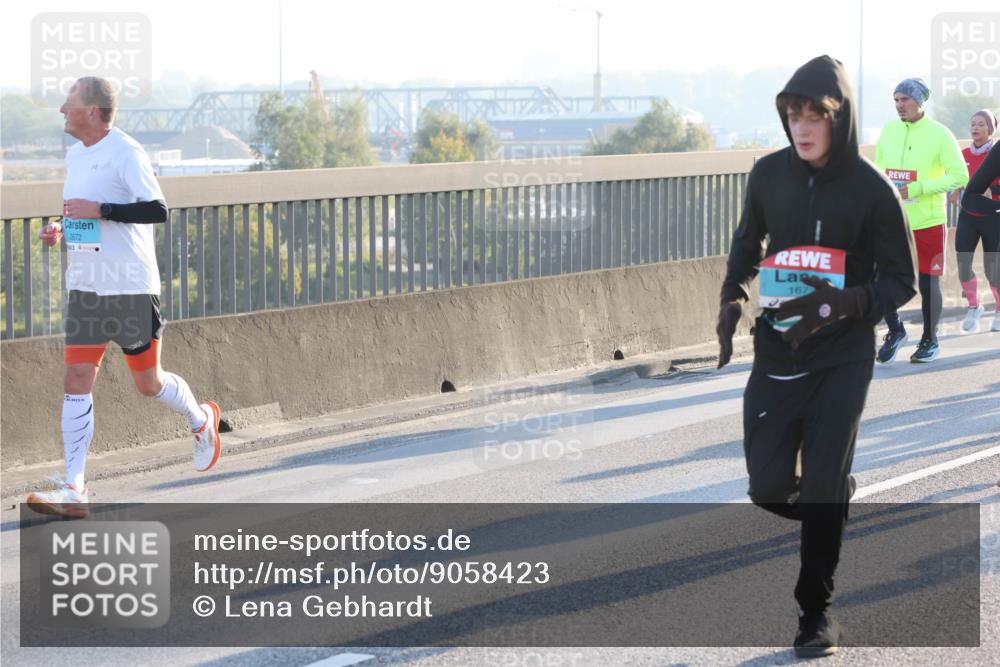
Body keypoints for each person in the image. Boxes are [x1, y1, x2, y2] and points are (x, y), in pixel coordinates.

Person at [716, 55, 916, 658]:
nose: (801, 127)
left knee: (823, 483)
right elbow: (747, 243)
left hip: (843, 356)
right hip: (777, 348)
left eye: (814, 116)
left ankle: (815, 613)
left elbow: (901, 280)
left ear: (839, 118)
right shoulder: (767, 174)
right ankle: (832, 501)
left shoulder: (871, 189)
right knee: (767, 487)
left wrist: (841, 303)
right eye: (793, 115)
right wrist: (733, 296)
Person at [26, 77, 222, 519]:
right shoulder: (76, 155)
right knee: (76, 379)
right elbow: (83, 212)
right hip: (87, 286)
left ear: (92, 111)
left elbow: (157, 210)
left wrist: (104, 211)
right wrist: (60, 229)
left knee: (148, 383)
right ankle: (75, 487)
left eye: (69, 103)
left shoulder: (127, 151)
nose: (61, 110)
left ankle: (200, 419)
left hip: (130, 286)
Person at [874, 78, 968, 362]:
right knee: (880, 277)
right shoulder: (889, 130)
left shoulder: (940, 134)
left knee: (928, 283)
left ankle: (930, 341)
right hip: (893, 221)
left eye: (904, 99)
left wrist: (918, 188)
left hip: (928, 221)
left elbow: (960, 175)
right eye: (896, 100)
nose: (899, 105)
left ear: (919, 101)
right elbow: (879, 170)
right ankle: (895, 331)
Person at [951, 109, 1000, 332]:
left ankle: (999, 310)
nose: (975, 127)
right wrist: (955, 191)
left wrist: (993, 190)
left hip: (993, 216)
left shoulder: (996, 153)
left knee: (993, 269)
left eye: (981, 124)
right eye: (973, 124)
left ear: (991, 129)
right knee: (963, 264)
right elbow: (959, 179)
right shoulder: (962, 154)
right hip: (968, 216)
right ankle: (974, 306)